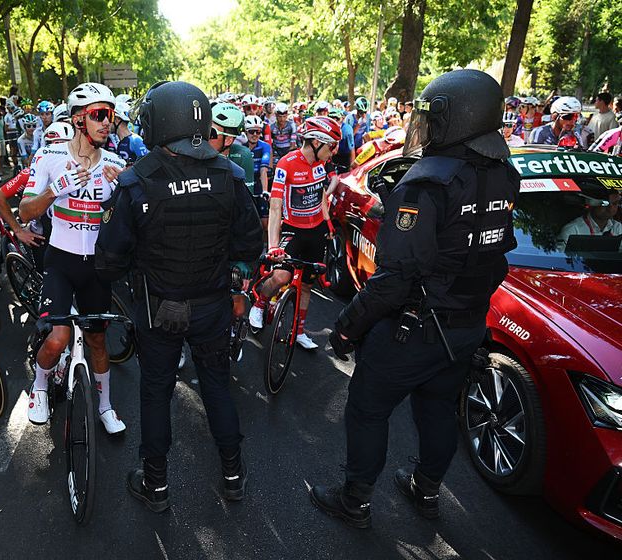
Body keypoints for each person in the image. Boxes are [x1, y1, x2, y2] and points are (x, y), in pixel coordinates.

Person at [314, 69, 520, 529]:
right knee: (438, 410)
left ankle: (356, 501)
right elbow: (495, 257)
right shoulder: (504, 174)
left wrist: (347, 325)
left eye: (428, 118)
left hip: (413, 329)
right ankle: (426, 491)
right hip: (466, 327)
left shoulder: (425, 184)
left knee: (367, 407)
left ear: (454, 119)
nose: (420, 127)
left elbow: (394, 278)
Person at [94, 80, 263, 512]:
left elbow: (109, 259)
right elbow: (249, 245)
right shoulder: (230, 175)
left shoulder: (137, 182)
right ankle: (233, 476)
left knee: (155, 393)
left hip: (158, 310)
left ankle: (157, 486)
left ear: (158, 123)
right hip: (212, 306)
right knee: (217, 387)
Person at [18, 82, 127, 433]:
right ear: (79, 119)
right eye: (99, 115)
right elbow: (24, 211)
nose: (107, 122)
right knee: (57, 337)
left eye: (110, 115)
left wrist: (123, 191)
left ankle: (106, 407)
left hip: (97, 266)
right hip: (61, 261)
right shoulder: (49, 157)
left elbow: (130, 219)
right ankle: (39, 386)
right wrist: (56, 189)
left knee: (97, 340)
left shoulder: (115, 162)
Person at [248, 117, 341, 350]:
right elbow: (276, 206)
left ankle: (299, 331)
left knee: (308, 285)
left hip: (316, 230)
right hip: (293, 229)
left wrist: (328, 222)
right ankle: (260, 303)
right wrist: (272, 247)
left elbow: (320, 194)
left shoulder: (322, 164)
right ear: (317, 142)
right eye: (331, 146)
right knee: (281, 277)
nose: (334, 151)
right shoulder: (287, 164)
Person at [0, 122, 74, 270]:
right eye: (51, 145)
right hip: (42, 239)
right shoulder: (29, 173)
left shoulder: (81, 171)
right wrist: (18, 230)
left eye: (63, 147)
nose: (57, 152)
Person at [557, 190, 621, 250]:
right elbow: (558, 259)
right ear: (592, 203)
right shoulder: (572, 230)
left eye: (615, 203)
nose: (610, 207)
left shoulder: (618, 228)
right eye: (605, 203)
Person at [244, 115, 272, 229]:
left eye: (258, 132)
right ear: (246, 132)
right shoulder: (239, 146)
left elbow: (263, 169)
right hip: (245, 183)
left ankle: (266, 246)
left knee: (265, 223)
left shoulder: (265, 146)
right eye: (252, 131)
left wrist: (265, 191)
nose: (255, 134)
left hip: (260, 182)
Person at [111, 101, 149, 166]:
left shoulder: (136, 140)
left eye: (110, 118)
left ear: (117, 119)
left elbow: (148, 165)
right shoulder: (117, 140)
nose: (107, 122)